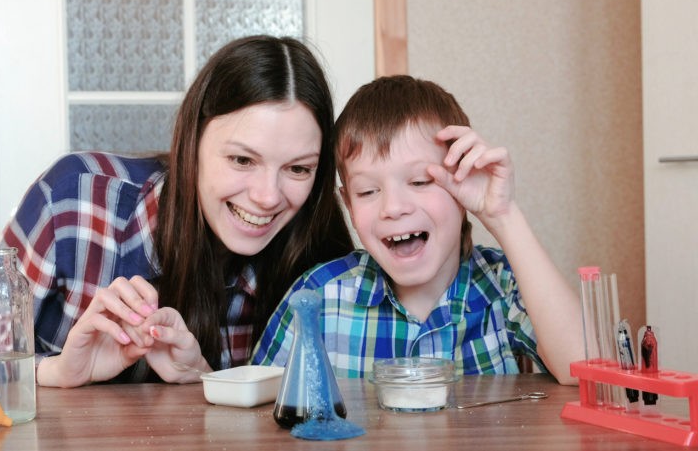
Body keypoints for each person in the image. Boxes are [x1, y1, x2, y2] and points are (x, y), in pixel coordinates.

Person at [0, 35, 353, 389]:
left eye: (298, 168)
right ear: (192, 144)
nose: (266, 196)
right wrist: (54, 371)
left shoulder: (318, 254)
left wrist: (205, 381)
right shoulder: (76, 199)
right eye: (242, 160)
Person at [251, 75, 585, 385]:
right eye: (368, 191)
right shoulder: (318, 297)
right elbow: (257, 414)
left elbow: (587, 371)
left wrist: (503, 215)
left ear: (463, 183)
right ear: (349, 205)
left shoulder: (504, 285)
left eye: (420, 181)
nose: (393, 207)